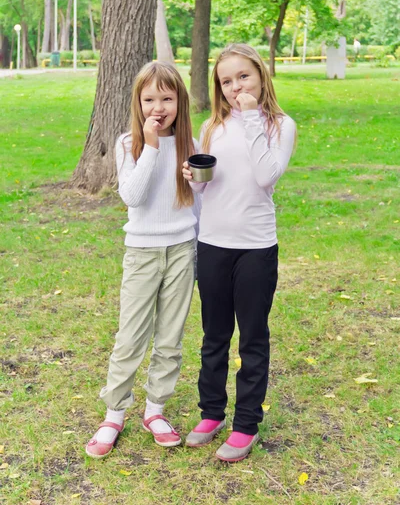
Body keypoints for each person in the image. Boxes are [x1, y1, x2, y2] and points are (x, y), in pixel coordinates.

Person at [182, 44, 296, 462]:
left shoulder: (280, 125)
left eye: (242, 77)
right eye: (226, 81)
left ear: (261, 76)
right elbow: (204, 187)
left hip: (255, 248)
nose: (235, 87)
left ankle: (246, 423)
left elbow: (266, 176)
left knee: (252, 339)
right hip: (212, 244)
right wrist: (192, 179)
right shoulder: (212, 126)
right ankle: (211, 412)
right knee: (213, 337)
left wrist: (250, 118)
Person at [86, 61, 200, 459]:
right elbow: (132, 196)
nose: (158, 107)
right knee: (131, 335)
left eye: (166, 98)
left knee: (170, 336)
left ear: (179, 102)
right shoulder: (127, 144)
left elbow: (198, 203)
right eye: (149, 98)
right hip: (142, 253)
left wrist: (201, 182)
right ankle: (114, 412)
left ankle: (156, 410)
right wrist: (151, 146)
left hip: (183, 251)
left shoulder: (191, 144)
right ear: (138, 102)